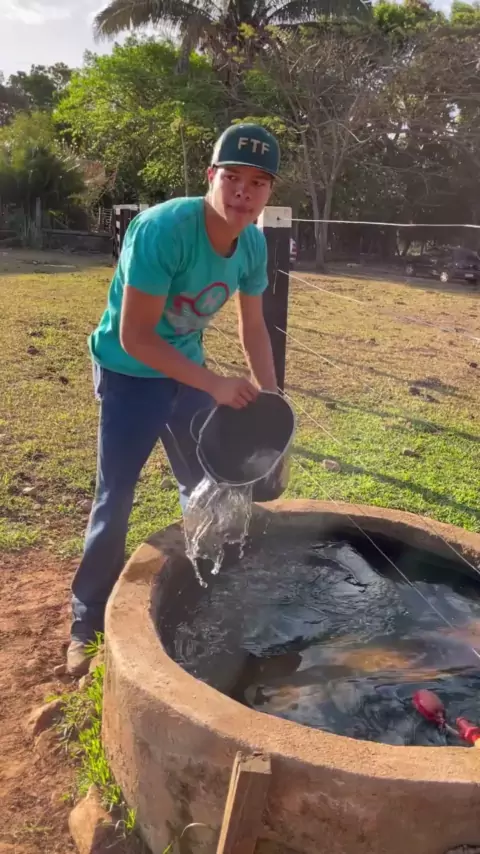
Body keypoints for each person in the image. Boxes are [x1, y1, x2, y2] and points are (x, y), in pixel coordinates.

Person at [67, 123, 281, 676]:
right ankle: (86, 620)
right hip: (128, 373)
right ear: (211, 177)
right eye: (232, 177)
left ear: (269, 192)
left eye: (258, 183)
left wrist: (271, 398)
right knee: (116, 495)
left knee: (207, 487)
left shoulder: (253, 243)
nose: (243, 192)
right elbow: (135, 337)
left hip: (186, 371)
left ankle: (201, 596)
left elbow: (254, 327)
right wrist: (213, 384)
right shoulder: (162, 230)